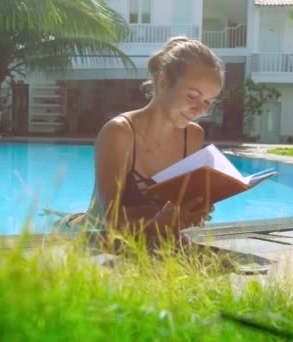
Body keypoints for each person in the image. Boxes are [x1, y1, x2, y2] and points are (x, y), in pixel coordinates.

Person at [65, 36, 224, 248]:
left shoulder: (193, 135)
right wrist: (158, 222)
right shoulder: (120, 132)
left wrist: (192, 211)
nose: (201, 110)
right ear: (163, 82)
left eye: (207, 102)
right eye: (192, 96)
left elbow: (173, 210)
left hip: (144, 235)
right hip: (83, 230)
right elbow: (109, 219)